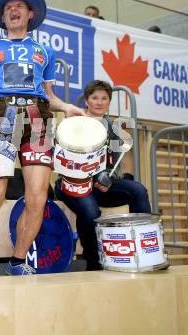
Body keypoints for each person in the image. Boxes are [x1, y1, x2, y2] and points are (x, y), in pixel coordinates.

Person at [0, 0, 84, 276]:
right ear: (2, 18)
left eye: (19, 6)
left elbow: (49, 96)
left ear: (30, 14)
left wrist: (67, 107)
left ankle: (18, 261)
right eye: (8, 8)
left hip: (38, 122)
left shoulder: (43, 52)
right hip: (0, 120)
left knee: (38, 196)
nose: (13, 11)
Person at [54, 80, 151, 271]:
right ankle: (93, 261)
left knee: (139, 191)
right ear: (87, 101)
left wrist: (109, 179)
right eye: (94, 98)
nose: (99, 102)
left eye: (104, 98)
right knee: (90, 211)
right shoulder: (73, 123)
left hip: (101, 185)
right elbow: (64, 160)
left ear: (109, 102)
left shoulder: (113, 129)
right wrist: (92, 177)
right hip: (71, 183)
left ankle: (145, 249)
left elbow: (117, 163)